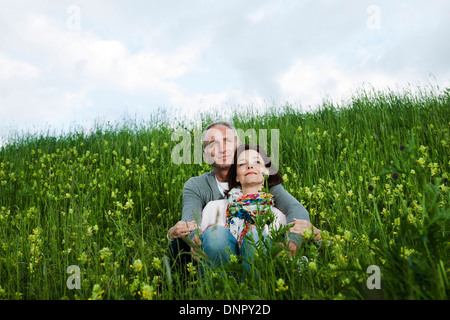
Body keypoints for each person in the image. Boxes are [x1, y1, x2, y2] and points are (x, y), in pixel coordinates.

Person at [167, 121, 316, 267]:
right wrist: (194, 238)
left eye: (227, 141)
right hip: (214, 249)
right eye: (213, 144)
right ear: (206, 156)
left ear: (238, 146)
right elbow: (190, 222)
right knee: (181, 240)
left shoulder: (257, 178)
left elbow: (295, 210)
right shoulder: (197, 186)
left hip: (256, 248)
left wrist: (292, 243)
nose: (222, 149)